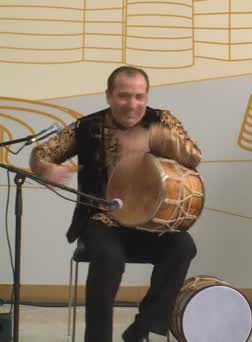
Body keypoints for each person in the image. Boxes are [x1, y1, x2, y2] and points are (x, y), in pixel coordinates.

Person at [30, 66, 202, 342]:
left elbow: (194, 156)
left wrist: (156, 138)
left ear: (146, 96)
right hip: (102, 220)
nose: (132, 105)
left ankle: (141, 328)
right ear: (108, 95)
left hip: (149, 221)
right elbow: (41, 153)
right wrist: (47, 169)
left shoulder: (162, 120)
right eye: (123, 96)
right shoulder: (87, 127)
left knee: (183, 246)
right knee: (109, 258)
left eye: (139, 96)